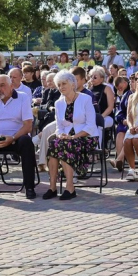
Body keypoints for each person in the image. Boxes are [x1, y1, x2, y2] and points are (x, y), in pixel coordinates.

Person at [42, 71, 98, 200]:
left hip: (86, 137)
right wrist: (61, 134)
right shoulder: (58, 103)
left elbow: (91, 125)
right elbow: (59, 126)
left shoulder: (86, 99)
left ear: (72, 84)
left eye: (64, 83)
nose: (61, 87)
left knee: (64, 145)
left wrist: (74, 137)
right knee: (54, 144)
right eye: (59, 84)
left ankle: (70, 187)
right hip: (67, 137)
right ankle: (52, 188)